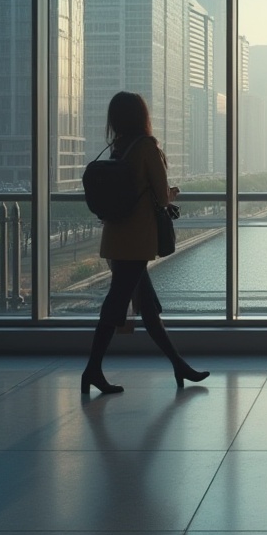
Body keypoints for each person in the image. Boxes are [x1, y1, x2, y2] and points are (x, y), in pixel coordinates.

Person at [81, 91, 208, 395]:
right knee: (115, 304)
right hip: (136, 241)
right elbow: (162, 197)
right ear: (143, 116)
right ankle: (92, 370)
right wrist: (173, 192)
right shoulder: (147, 147)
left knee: (147, 309)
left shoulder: (118, 147)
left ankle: (179, 365)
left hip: (115, 237)